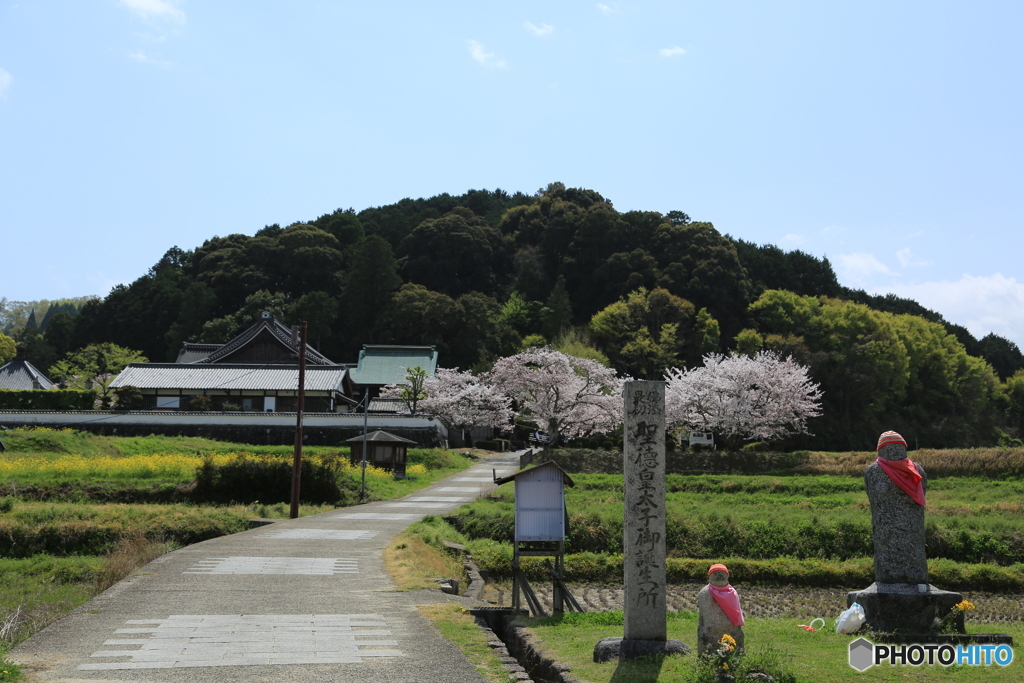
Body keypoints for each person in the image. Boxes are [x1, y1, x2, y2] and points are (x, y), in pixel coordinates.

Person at [696, 563, 745, 655]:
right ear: (710, 577)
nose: (719, 576)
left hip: (731, 630)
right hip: (712, 630)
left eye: (722, 573)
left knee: (737, 638)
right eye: (715, 573)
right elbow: (705, 616)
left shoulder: (732, 592)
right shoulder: (705, 593)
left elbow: (736, 612)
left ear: (728, 576)